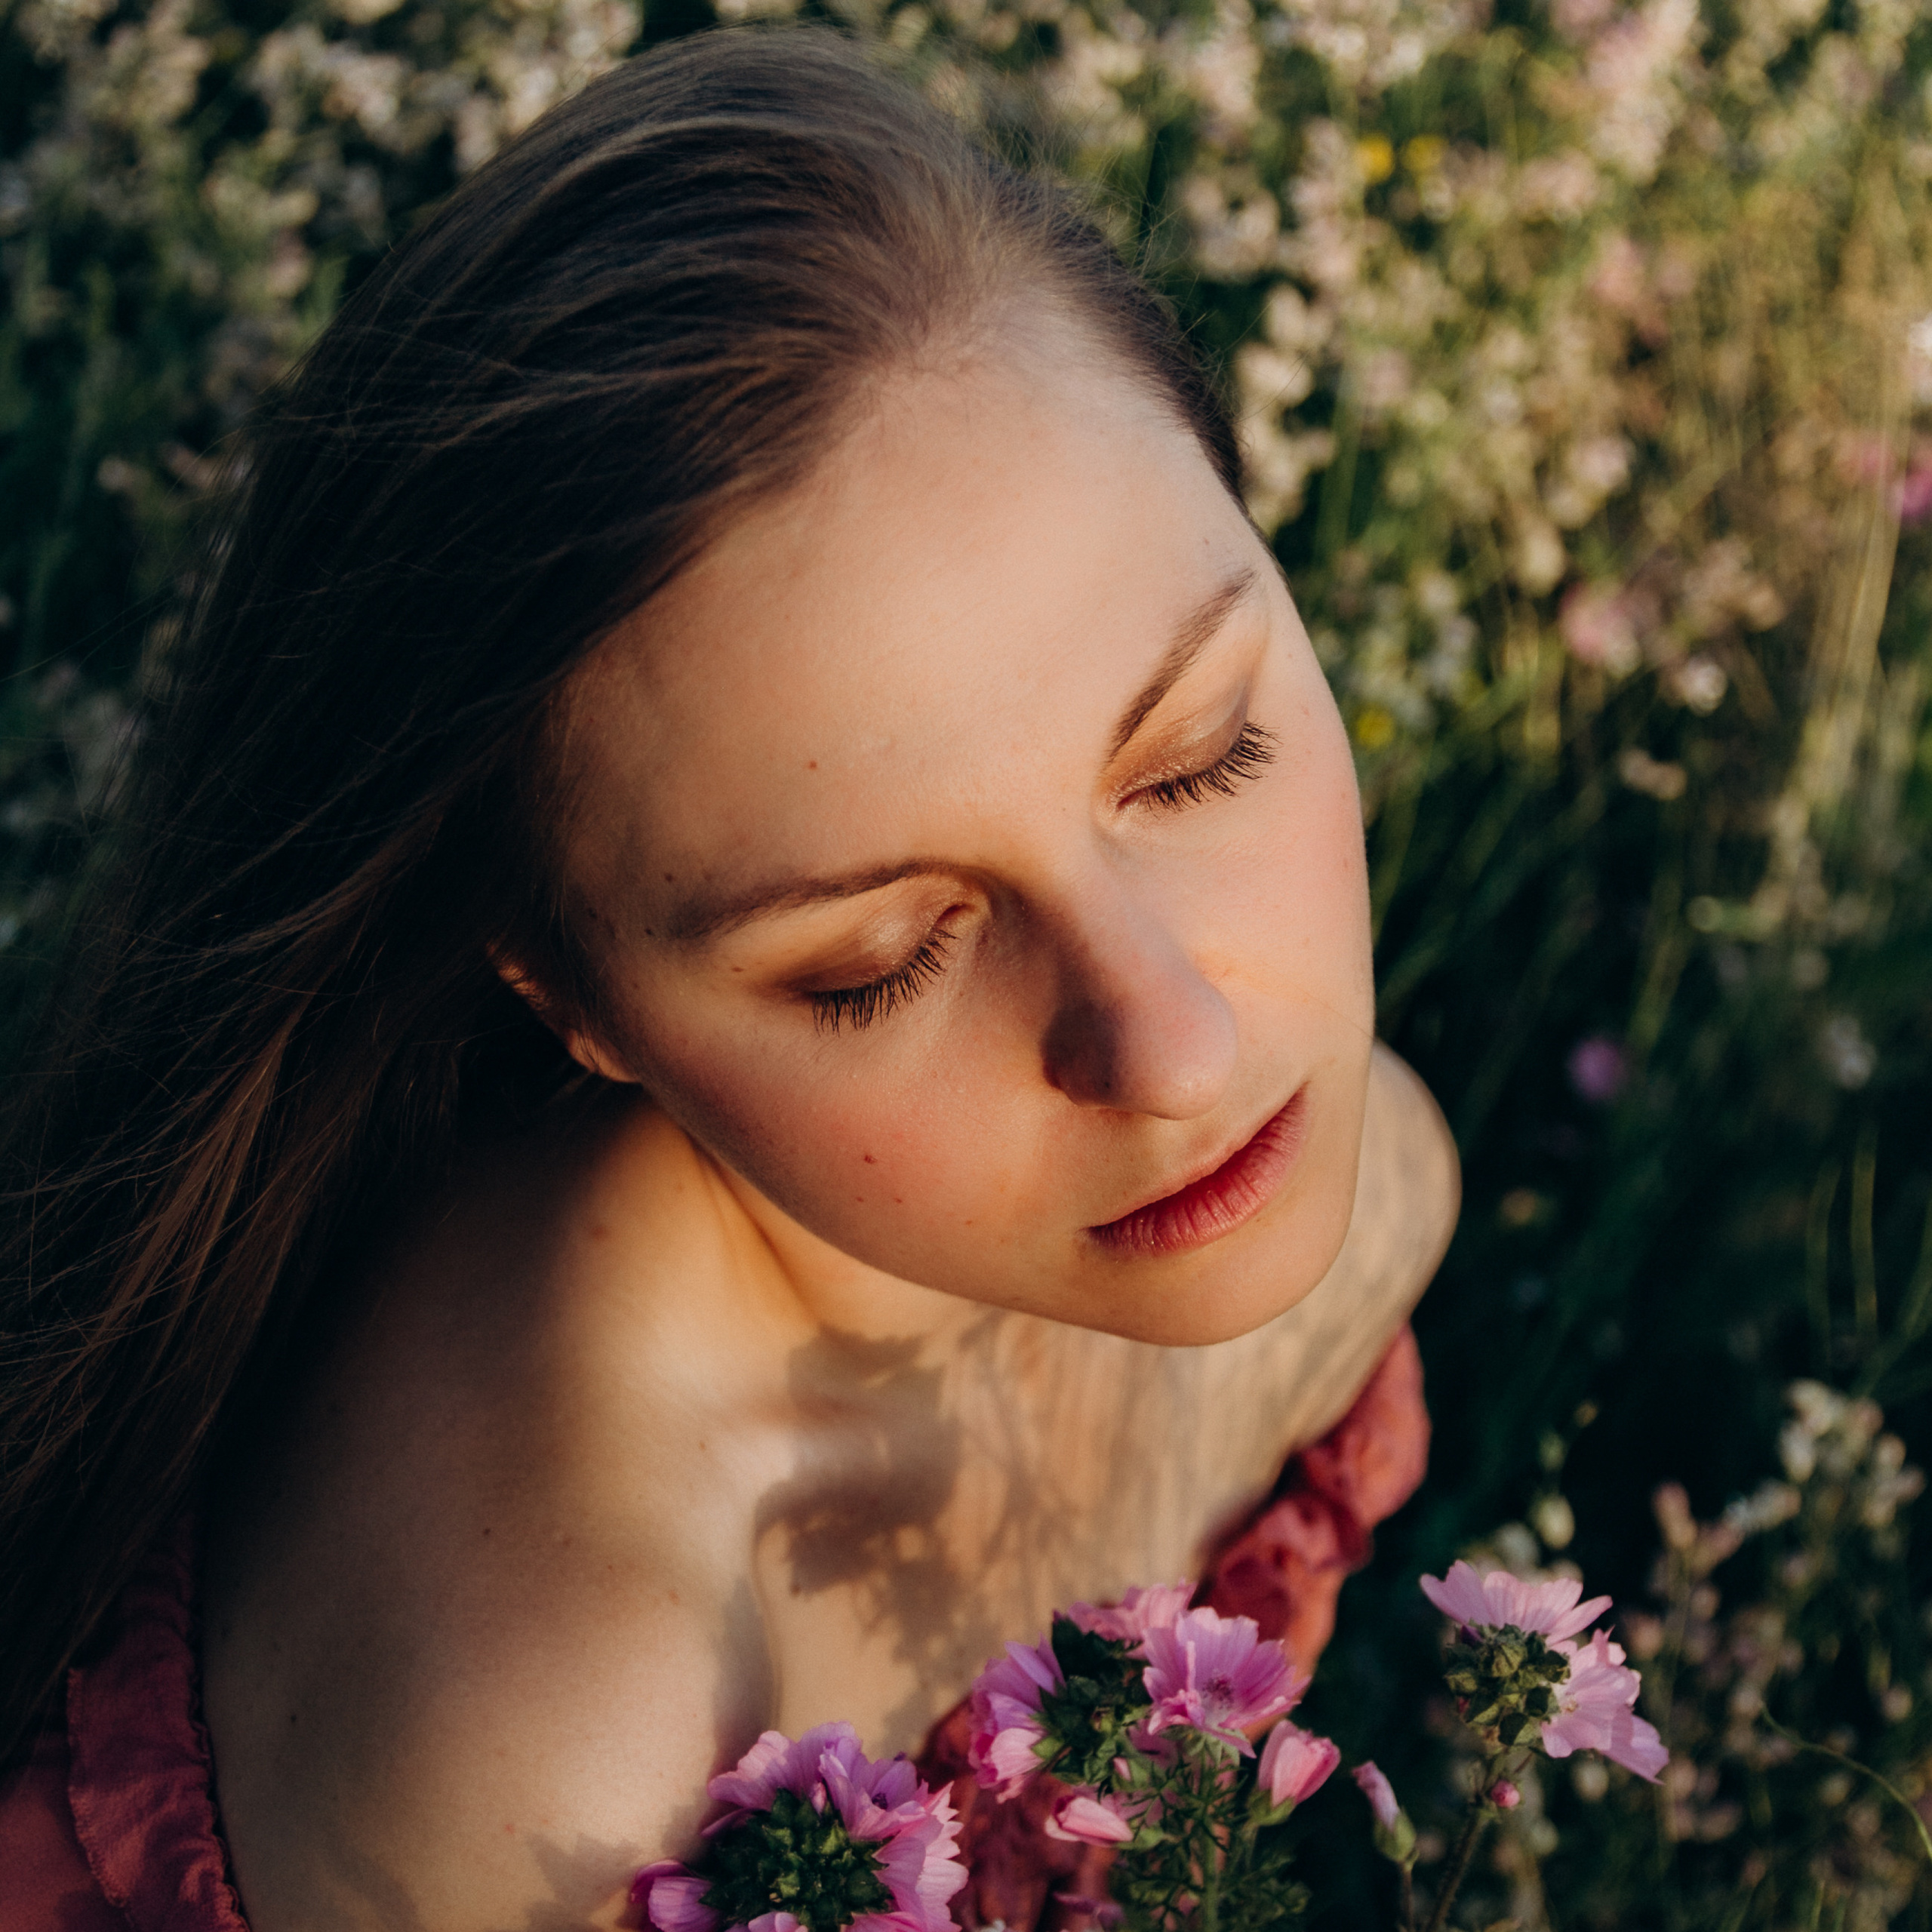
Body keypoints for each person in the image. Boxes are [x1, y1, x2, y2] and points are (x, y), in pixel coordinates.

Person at [0, 25, 1457, 1931]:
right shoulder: (567, 1749)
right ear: (561, 992)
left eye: (1197, 756)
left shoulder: (1335, 1197)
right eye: (876, 962)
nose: (1176, 1043)